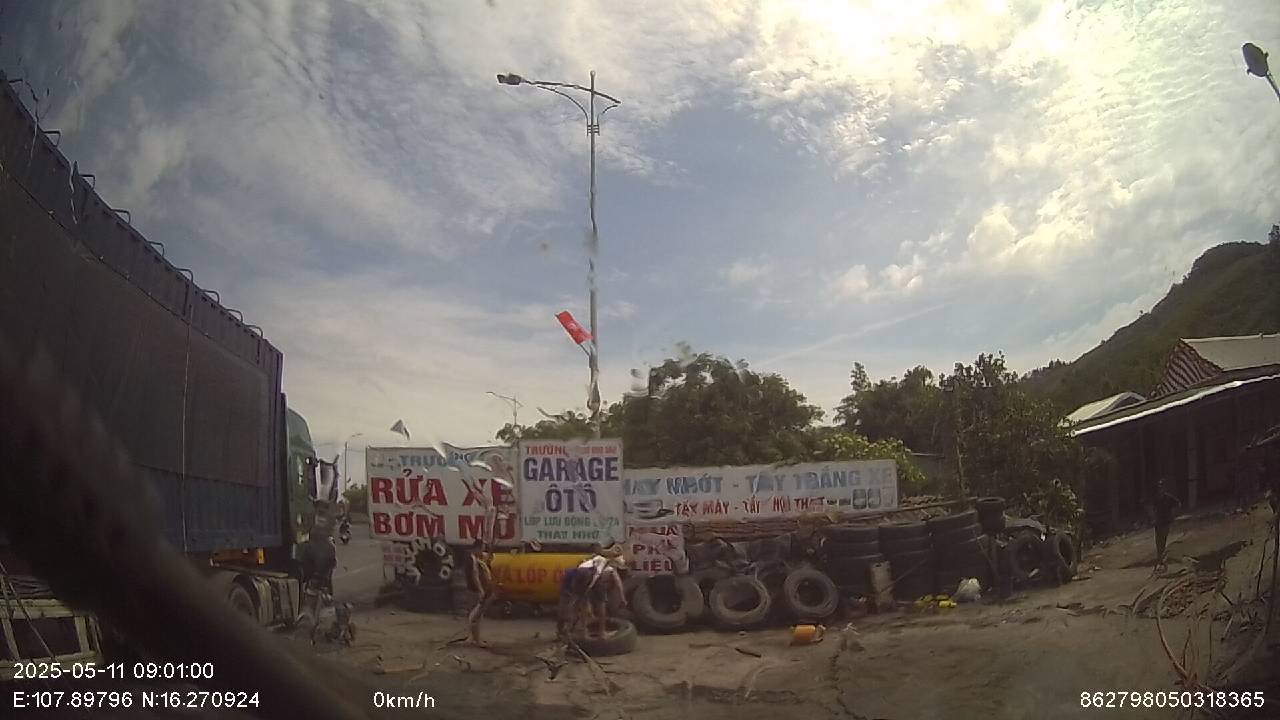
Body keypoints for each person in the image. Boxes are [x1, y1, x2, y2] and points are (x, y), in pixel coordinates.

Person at [557, 545, 627, 641]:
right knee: (600, 604)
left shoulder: (591, 560)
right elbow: (618, 583)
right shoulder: (609, 568)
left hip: (581, 573)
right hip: (590, 573)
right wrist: (623, 598)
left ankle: (583, 632)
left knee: (582, 604)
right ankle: (601, 633)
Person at [1152, 479, 1182, 571]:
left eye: (1161, 487)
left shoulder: (1168, 498)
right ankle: (1160, 561)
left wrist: (1173, 514)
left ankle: (1162, 561)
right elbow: (1152, 509)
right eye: (1159, 488)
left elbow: (1178, 504)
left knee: (1162, 542)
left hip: (1165, 522)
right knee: (1158, 543)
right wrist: (1153, 518)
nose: (1160, 489)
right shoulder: (1156, 499)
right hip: (1158, 523)